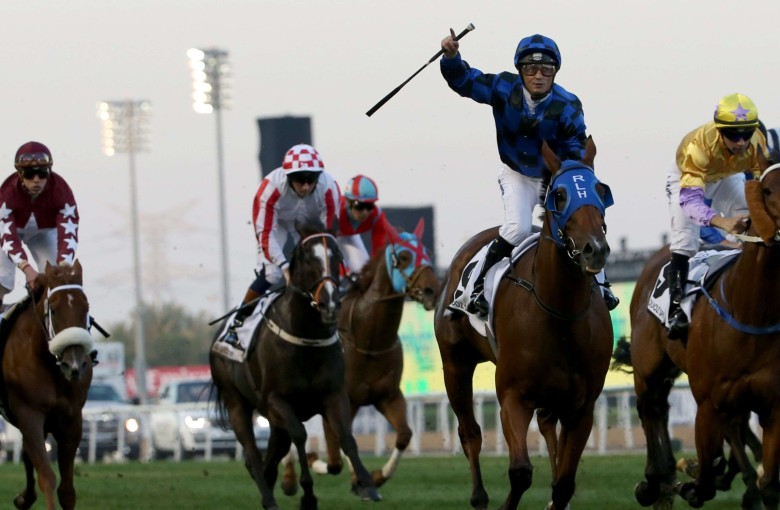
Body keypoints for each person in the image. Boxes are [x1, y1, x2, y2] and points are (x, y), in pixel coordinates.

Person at [439, 30, 618, 315]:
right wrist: (451, 57)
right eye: (531, 68)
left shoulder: (569, 105)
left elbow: (575, 149)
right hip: (517, 175)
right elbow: (465, 81)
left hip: (555, 175)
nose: (538, 75)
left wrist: (574, 183)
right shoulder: (502, 87)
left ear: (554, 73)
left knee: (584, 221)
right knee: (519, 229)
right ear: (520, 71)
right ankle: (471, 289)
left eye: (546, 69)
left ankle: (602, 283)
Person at [665, 93, 769, 340]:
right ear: (720, 130)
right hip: (688, 180)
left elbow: (759, 185)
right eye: (733, 135)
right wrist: (722, 222)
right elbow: (691, 203)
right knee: (685, 239)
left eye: (747, 133)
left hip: (726, 176)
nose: (741, 142)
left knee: (751, 220)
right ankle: (675, 310)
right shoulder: (699, 146)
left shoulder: (758, 141)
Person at [220, 143, 341, 348]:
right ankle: (237, 322)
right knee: (273, 275)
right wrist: (285, 268)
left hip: (308, 225)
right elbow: (265, 234)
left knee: (323, 268)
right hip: (277, 225)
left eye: (311, 180)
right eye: (300, 180)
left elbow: (328, 234)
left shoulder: (330, 188)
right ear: (288, 177)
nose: (305, 186)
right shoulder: (269, 189)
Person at [0, 141, 79, 308]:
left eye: (42, 173)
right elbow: (8, 238)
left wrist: (63, 265)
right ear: (20, 175)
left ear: (49, 172)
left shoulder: (62, 191)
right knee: (3, 279)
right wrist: (27, 269)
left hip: (42, 234)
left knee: (57, 276)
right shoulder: (7, 193)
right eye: (29, 174)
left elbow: (68, 233)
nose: (36, 180)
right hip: (9, 235)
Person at [336, 174, 395, 276]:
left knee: (363, 274)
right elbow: (324, 245)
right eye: (360, 206)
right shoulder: (336, 211)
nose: (365, 212)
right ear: (348, 203)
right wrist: (342, 271)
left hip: (349, 236)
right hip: (327, 236)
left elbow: (378, 250)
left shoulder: (377, 216)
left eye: (369, 206)